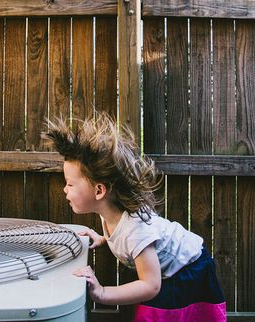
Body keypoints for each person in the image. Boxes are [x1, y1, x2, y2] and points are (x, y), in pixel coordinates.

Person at [43, 114, 227, 322]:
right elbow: (121, 236)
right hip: (164, 272)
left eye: (70, 184)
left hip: (187, 269)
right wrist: (103, 239)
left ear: (99, 191)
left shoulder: (136, 230)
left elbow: (151, 285)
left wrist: (102, 292)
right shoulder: (110, 213)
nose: (64, 189)